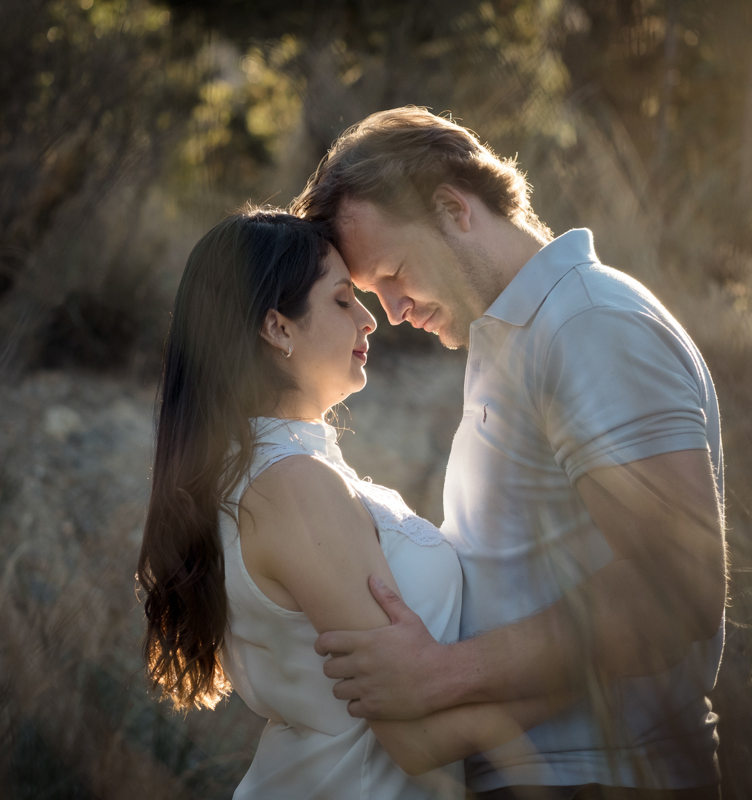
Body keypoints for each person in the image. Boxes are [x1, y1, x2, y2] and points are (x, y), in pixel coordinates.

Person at [293, 107, 728, 800]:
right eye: (376, 293)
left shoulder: (589, 323)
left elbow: (676, 592)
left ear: (454, 210)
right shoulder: (514, 337)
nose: (396, 311)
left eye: (397, 273)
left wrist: (441, 673)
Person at [136, 208, 574, 799]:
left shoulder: (272, 472)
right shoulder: (290, 485)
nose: (369, 320)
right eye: (343, 301)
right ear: (278, 328)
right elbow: (415, 742)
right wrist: (595, 676)